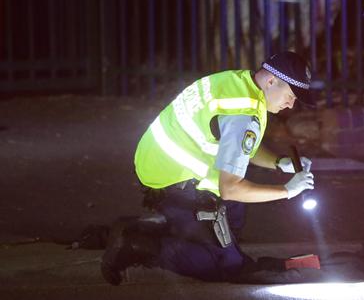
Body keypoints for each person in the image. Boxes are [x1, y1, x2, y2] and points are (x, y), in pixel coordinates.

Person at [101, 51, 317, 285]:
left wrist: (278, 162)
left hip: (156, 159)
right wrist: (288, 191)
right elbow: (231, 188)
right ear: (271, 81)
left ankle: (179, 226)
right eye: (290, 95)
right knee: (222, 264)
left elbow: (240, 146)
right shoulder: (244, 114)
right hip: (172, 179)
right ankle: (136, 244)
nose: (291, 104)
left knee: (232, 218)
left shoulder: (240, 82)